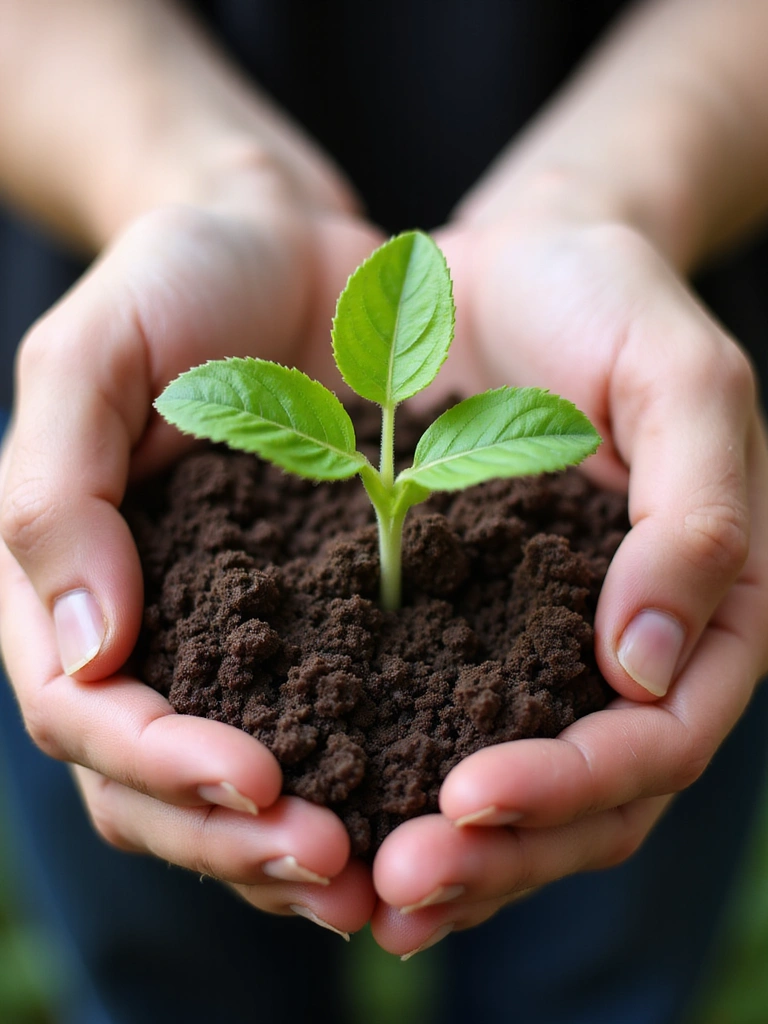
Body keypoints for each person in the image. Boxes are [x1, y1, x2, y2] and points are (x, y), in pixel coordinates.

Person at [1, 0, 767, 1020]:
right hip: (125, 388)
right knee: (166, 970)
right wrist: (191, 180)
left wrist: (602, 196)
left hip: (650, 390)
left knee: (596, 970)